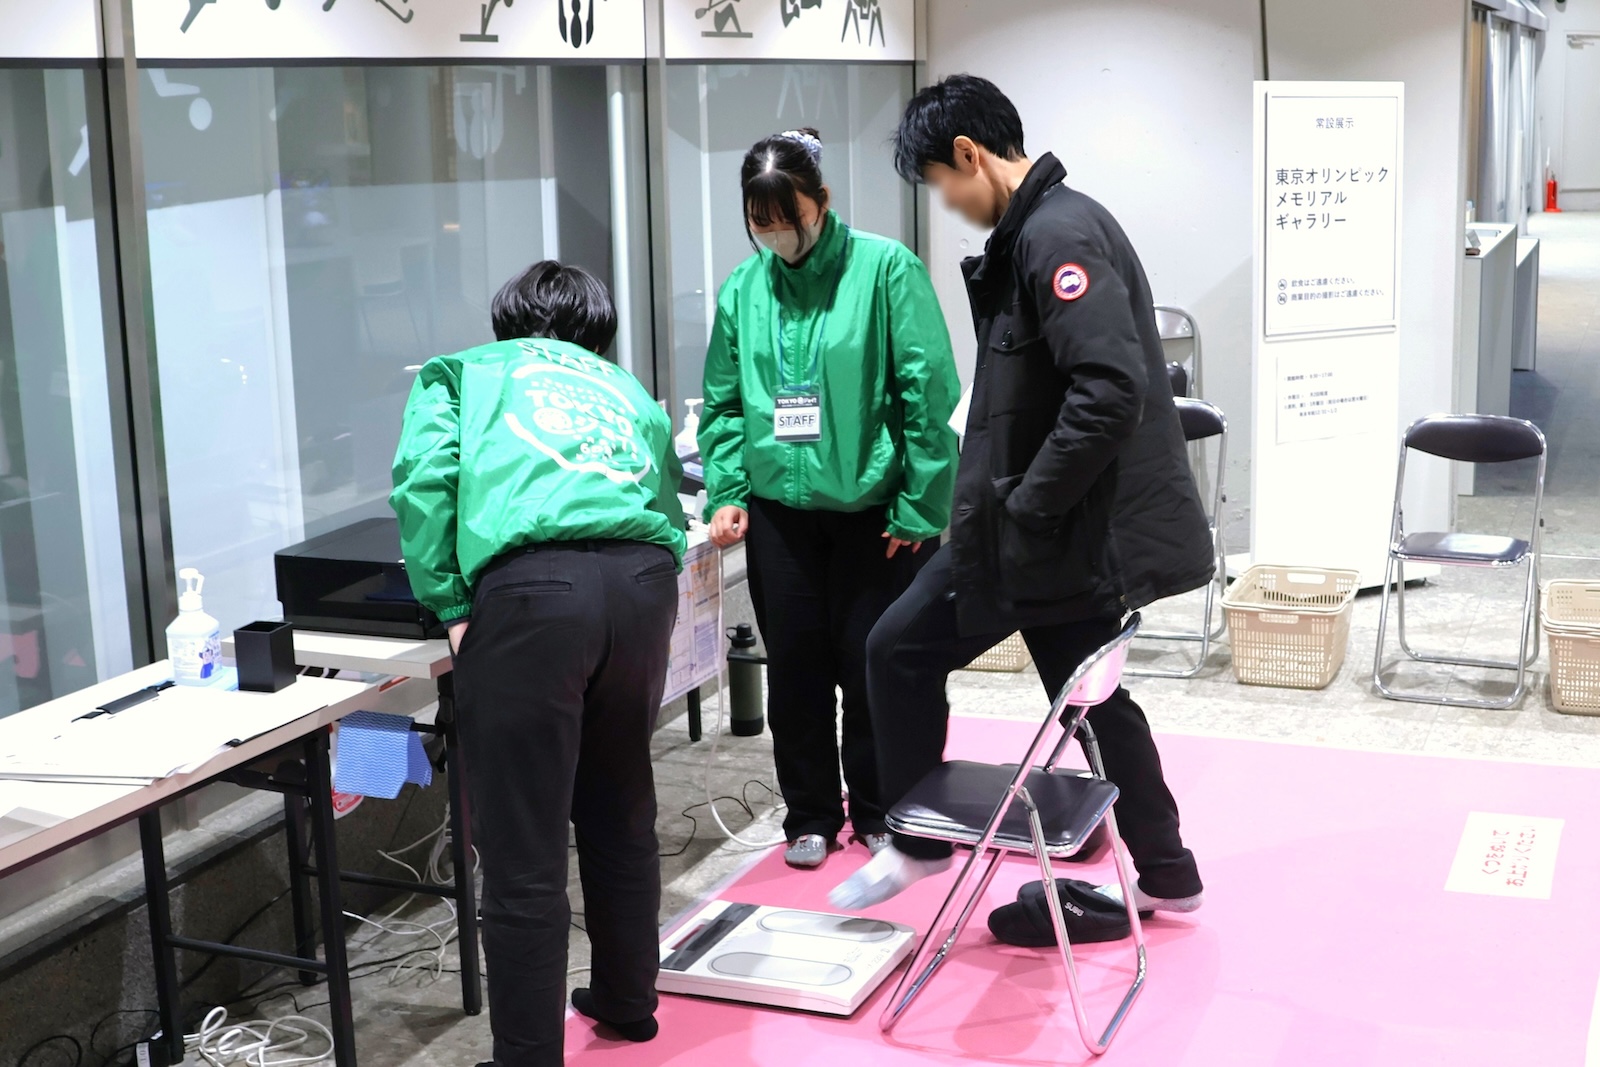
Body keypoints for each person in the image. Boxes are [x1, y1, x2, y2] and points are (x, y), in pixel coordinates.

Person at [830, 75, 1211, 938]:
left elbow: (1108, 391)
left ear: (969, 154)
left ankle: (918, 840)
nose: (949, 205)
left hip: (1043, 532)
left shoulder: (1056, 234)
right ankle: (1168, 870)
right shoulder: (1041, 231)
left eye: (942, 184)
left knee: (897, 648)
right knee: (1091, 701)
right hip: (1053, 533)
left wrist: (1027, 508)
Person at [391, 261, 686, 1066]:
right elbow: (665, 495)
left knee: (524, 843)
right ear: (598, 326)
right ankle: (628, 1001)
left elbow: (424, 485)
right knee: (621, 802)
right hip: (642, 585)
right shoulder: (624, 386)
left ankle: (525, 1054)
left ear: (508, 318)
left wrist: (451, 604)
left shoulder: (462, 372)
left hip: (532, 593)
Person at [699, 127, 960, 870]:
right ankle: (810, 812)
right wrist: (727, 489)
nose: (777, 234)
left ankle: (881, 808)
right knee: (797, 669)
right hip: (781, 516)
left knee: (874, 664)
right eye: (761, 221)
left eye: (790, 217)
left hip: (878, 514)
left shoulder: (885, 269)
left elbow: (928, 394)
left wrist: (921, 504)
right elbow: (723, 403)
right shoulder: (744, 289)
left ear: (823, 201)